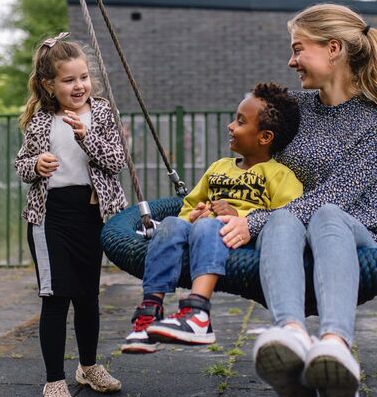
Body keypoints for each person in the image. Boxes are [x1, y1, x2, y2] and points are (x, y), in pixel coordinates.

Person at [216, 4, 377, 397]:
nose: (291, 61)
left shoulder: (376, 123)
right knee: (288, 215)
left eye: (298, 49)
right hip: (290, 225)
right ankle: (291, 334)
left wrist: (253, 222)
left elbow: (335, 198)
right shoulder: (297, 108)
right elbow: (261, 160)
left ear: (333, 49)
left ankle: (335, 347)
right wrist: (230, 201)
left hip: (357, 231)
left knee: (323, 214)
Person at [122, 82, 303, 354]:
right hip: (202, 230)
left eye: (240, 122)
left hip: (237, 238)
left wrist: (241, 216)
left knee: (209, 226)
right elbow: (190, 205)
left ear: (264, 137)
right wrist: (192, 215)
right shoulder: (219, 167)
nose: (231, 126)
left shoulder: (278, 175)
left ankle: (198, 311)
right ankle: (151, 311)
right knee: (170, 225)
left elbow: (288, 217)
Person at [15, 32, 127, 397]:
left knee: (87, 296)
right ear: (50, 84)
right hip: (50, 217)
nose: (79, 86)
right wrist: (35, 166)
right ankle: (53, 381)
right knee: (55, 297)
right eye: (68, 80)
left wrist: (86, 137)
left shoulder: (103, 112)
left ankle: (89, 366)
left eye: (84, 77)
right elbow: (21, 164)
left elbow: (115, 161)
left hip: (91, 213)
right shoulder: (40, 120)